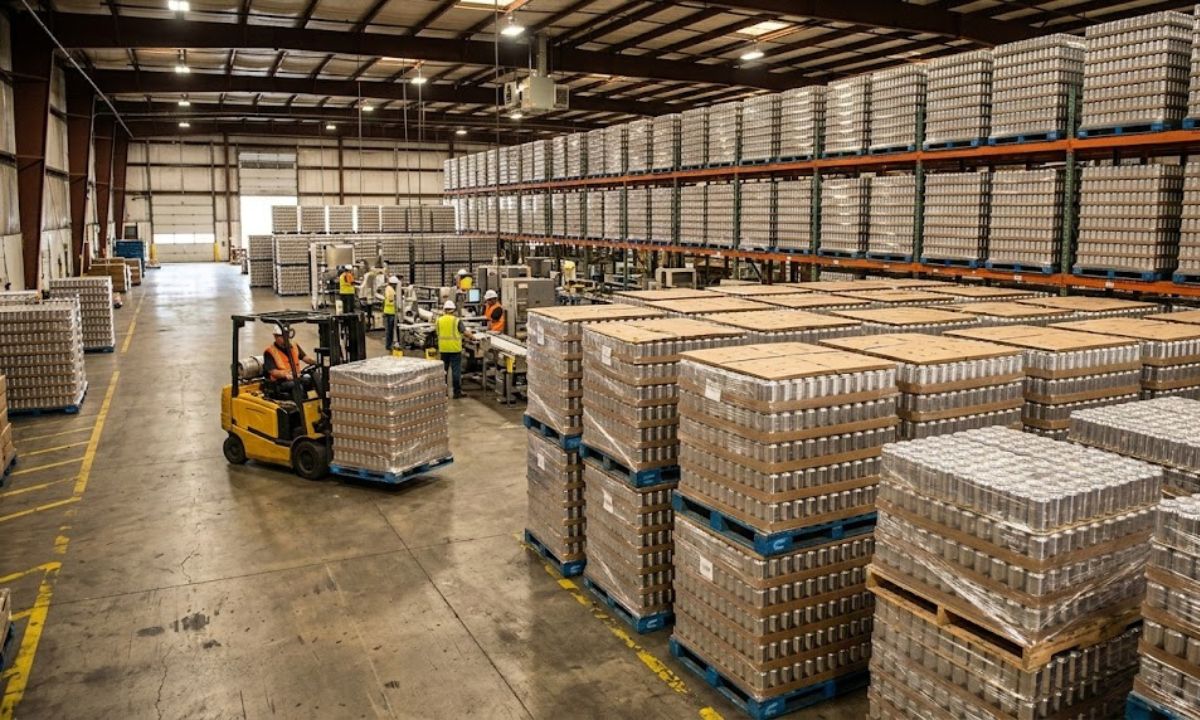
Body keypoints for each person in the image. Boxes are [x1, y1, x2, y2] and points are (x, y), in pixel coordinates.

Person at [263, 327, 317, 396]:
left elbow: (305, 358)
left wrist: (317, 362)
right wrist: (286, 375)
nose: (285, 338)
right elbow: (273, 372)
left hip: (296, 377)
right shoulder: (270, 352)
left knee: (311, 380)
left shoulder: (294, 346)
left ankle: (317, 402)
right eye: (282, 336)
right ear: (275, 337)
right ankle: (300, 405)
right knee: (297, 386)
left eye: (287, 335)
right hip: (280, 382)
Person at [436, 300, 474, 398]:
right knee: (456, 371)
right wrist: (473, 337)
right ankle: (457, 393)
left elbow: (438, 333)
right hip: (455, 349)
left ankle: (443, 393)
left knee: (443, 371)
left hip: (443, 349)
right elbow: (465, 332)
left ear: (444, 309)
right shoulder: (456, 320)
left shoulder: (439, 320)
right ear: (453, 310)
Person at [383, 275, 400, 352]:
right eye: (395, 284)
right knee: (389, 330)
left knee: (390, 330)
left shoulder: (389, 289)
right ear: (393, 283)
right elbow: (390, 300)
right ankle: (388, 345)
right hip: (389, 312)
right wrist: (396, 304)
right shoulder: (389, 289)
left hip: (390, 312)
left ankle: (389, 345)